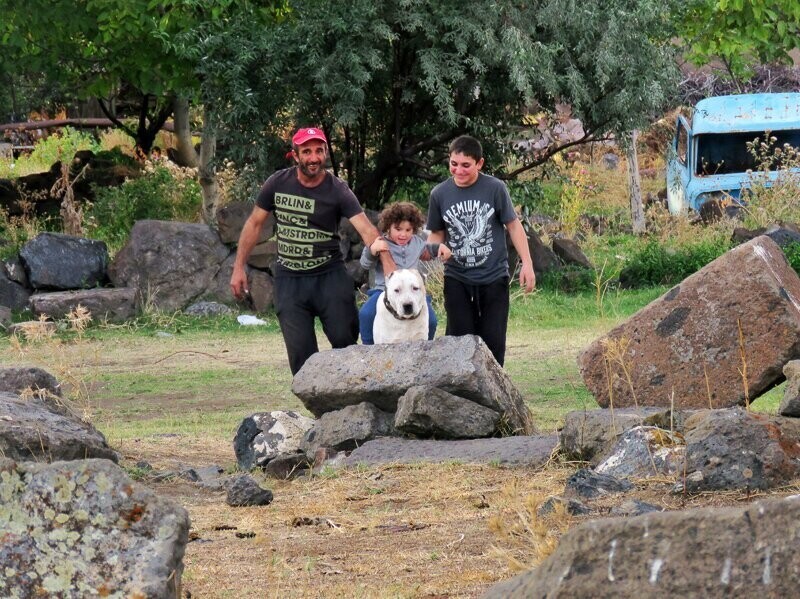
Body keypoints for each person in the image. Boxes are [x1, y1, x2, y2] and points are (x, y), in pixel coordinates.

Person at [230, 126, 393, 375]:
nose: (314, 157)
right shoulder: (277, 183)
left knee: (346, 341)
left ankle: (353, 404)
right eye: (307, 151)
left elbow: (367, 231)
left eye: (319, 150)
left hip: (329, 275)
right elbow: (254, 224)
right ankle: (317, 411)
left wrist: (391, 269)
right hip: (290, 280)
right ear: (295, 155)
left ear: (326, 152)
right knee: (301, 357)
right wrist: (238, 267)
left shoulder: (338, 189)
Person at [426, 135, 535, 366]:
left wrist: (527, 264)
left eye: (466, 165)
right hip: (457, 276)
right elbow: (436, 233)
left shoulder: (495, 188)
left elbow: (513, 225)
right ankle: (461, 395)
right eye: (453, 164)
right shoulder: (439, 194)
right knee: (459, 340)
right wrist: (434, 249)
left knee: (493, 340)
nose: (458, 170)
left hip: (493, 274)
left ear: (479, 163)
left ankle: (494, 396)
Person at [358, 201, 452, 344]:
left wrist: (439, 248)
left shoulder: (417, 242)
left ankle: (426, 347)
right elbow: (365, 263)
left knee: (432, 320)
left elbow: (426, 252)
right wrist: (372, 250)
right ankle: (368, 349)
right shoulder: (380, 242)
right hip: (383, 290)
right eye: (398, 229)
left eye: (408, 230)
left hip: (413, 290)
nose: (403, 234)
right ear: (388, 227)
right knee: (366, 314)